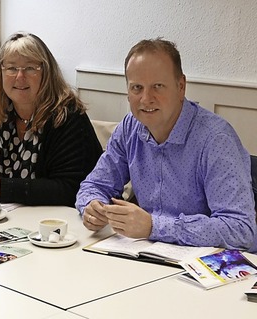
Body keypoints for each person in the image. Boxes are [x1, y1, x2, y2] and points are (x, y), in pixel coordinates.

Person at [75, 38, 256, 251]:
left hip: (207, 268)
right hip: (147, 256)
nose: (146, 98)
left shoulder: (216, 139)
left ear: (181, 87)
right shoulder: (129, 127)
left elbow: (241, 230)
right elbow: (94, 185)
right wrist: (92, 206)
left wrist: (153, 226)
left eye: (158, 87)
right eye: (136, 88)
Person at [0, 32, 103, 206]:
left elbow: (69, 188)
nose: (19, 77)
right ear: (0, 73)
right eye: (11, 68)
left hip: (60, 221)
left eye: (30, 68)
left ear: (46, 73)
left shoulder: (68, 117)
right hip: (16, 215)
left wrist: (2, 188)